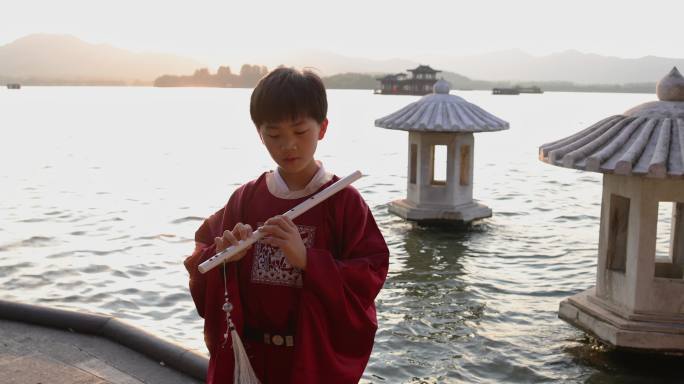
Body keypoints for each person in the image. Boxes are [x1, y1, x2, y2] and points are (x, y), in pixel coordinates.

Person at [184, 67, 389, 384]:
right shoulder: (246, 198)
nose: (288, 145)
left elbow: (370, 274)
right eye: (275, 135)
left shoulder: (344, 201)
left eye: (300, 131)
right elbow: (201, 259)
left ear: (322, 129)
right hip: (248, 355)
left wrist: (307, 260)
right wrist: (223, 255)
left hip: (309, 358)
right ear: (259, 134)